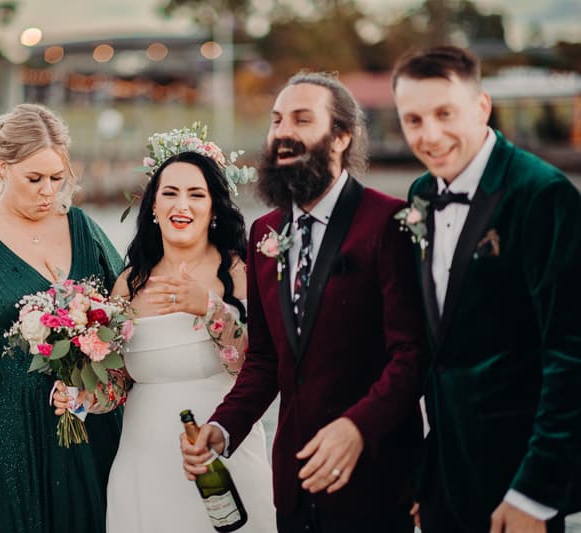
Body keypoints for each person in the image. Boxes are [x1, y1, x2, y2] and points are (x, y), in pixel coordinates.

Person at [180, 71, 429, 533]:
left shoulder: (388, 222)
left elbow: (411, 357)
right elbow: (265, 359)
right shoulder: (264, 234)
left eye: (301, 119)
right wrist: (223, 428)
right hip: (294, 485)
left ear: (340, 136)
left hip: (375, 477)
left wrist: (358, 428)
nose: (283, 133)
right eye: (276, 121)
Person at [391, 45, 581, 533]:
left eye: (444, 114)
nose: (429, 135)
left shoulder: (542, 195)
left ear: (481, 107)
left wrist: (535, 494)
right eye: (413, 120)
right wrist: (426, 475)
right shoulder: (419, 196)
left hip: (517, 482)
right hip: (445, 482)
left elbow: (571, 353)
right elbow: (443, 351)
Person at [0, 103, 123, 533]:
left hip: (88, 419)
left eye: (56, 178)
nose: (47, 192)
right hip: (7, 425)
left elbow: (124, 309)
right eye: (34, 179)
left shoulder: (83, 226)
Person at [55, 144, 276, 532]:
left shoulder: (238, 269)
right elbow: (118, 384)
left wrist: (209, 308)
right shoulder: (129, 282)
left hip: (222, 452)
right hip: (144, 462)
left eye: (196, 194)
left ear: (214, 208)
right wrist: (80, 398)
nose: (182, 205)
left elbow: (252, 362)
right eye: (170, 193)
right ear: (153, 207)